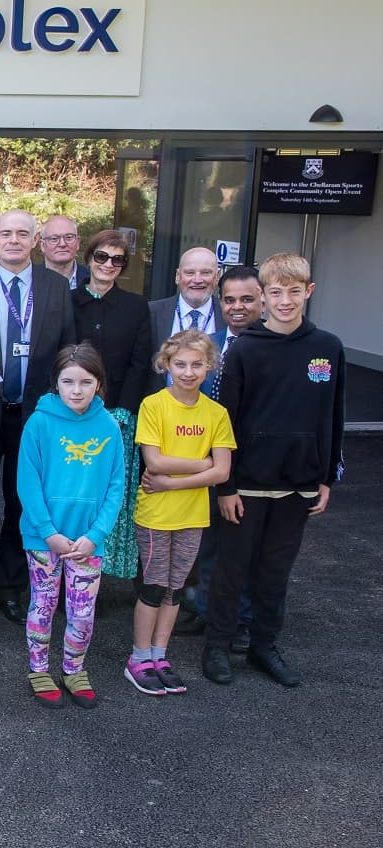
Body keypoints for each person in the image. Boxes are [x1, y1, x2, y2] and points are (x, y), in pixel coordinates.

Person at [204, 253, 345, 688]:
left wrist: (326, 475)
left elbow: (333, 414)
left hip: (298, 484)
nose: (286, 301)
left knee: (275, 573)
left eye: (295, 291)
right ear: (263, 297)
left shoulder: (328, 347)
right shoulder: (246, 348)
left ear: (309, 292)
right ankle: (218, 647)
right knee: (231, 571)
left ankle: (265, 646)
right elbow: (226, 421)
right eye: (277, 293)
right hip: (246, 485)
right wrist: (226, 486)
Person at [0, 210, 76, 623]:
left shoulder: (56, 287)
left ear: (35, 240)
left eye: (22, 233)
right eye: (6, 233)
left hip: (35, 414)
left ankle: (10, 586)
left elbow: (67, 351)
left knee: (22, 502)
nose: (13, 240)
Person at [16, 344, 126, 709]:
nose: (76, 390)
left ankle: (74, 670)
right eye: (68, 381)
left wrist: (96, 536)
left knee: (82, 611)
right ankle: (39, 670)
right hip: (43, 538)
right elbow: (27, 482)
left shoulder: (109, 426)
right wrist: (48, 531)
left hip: (87, 543)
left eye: (85, 382)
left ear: (99, 384)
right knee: (43, 605)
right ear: (56, 383)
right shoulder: (39, 422)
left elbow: (116, 486)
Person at [125, 329, 233, 697]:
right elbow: (153, 461)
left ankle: (159, 655)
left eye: (197, 365)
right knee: (153, 587)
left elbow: (222, 472)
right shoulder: (154, 405)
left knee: (175, 589)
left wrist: (173, 482)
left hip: (192, 514)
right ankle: (138, 658)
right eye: (180, 364)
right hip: (155, 515)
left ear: (209, 367)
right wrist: (201, 463)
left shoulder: (216, 413)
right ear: (166, 364)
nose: (188, 372)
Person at [177, 264, 263, 636]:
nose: (237, 307)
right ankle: (205, 610)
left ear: (262, 299)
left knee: (246, 550)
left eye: (247, 299)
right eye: (229, 300)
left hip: (253, 466)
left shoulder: (273, 347)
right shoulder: (206, 346)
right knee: (207, 544)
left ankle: (241, 621)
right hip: (204, 463)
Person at [72, 229, 153, 582]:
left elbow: (140, 362)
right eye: (102, 257)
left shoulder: (136, 307)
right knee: (74, 492)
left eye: (117, 260)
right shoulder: (68, 300)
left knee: (108, 497)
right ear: (89, 258)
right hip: (72, 413)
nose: (108, 264)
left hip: (118, 416)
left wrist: (124, 411)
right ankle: (66, 571)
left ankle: (97, 577)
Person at [147, 247, 227, 396]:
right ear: (178, 276)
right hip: (160, 412)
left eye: (206, 273)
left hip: (212, 413)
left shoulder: (228, 316)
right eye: (190, 273)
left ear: (217, 277)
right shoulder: (151, 313)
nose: (197, 280)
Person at [41, 215, 91, 290]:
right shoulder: (30, 279)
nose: (62, 244)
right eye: (54, 239)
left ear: (77, 243)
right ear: (42, 245)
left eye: (69, 237)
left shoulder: (92, 279)